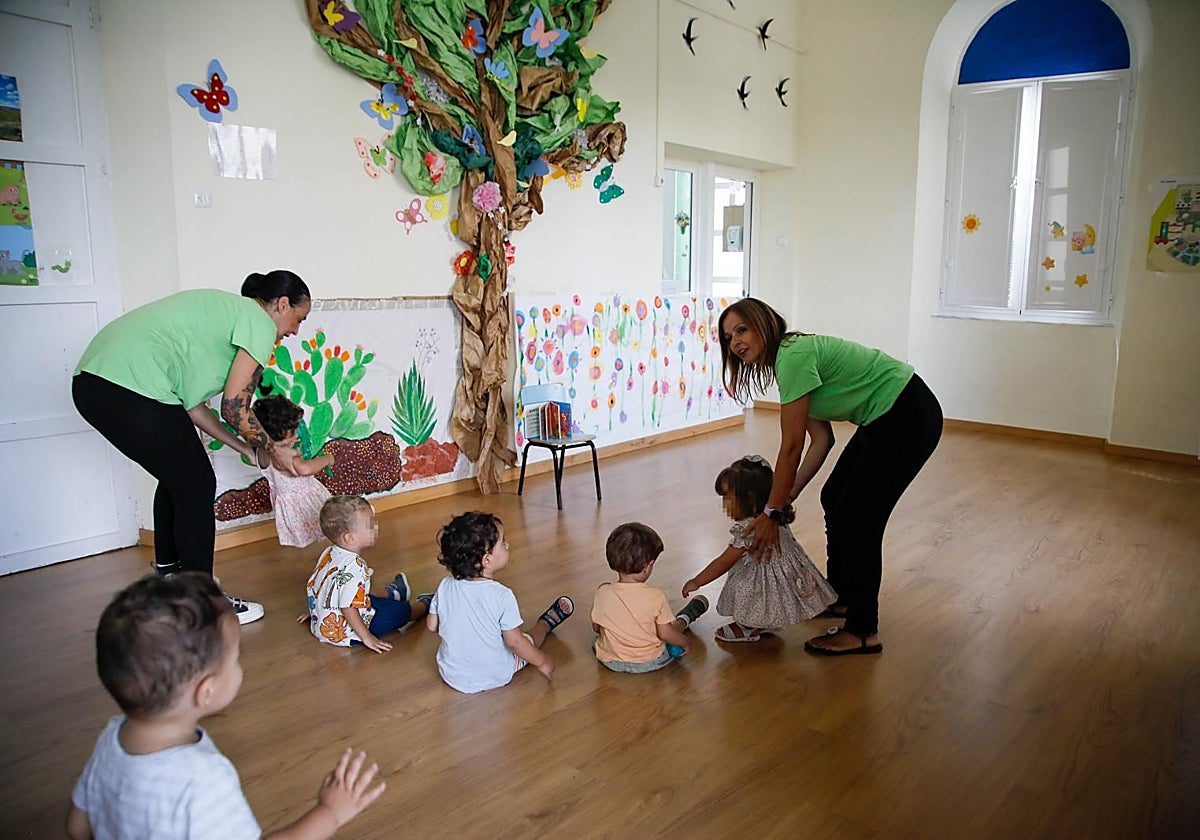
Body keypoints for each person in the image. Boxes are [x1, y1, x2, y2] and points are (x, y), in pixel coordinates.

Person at [72, 270, 314, 624]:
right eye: (298, 318)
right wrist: (276, 448)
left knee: (180, 478)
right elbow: (234, 406)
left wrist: (246, 449)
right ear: (280, 305)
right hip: (126, 384)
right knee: (196, 482)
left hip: (95, 384)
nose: (294, 330)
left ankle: (171, 581)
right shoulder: (257, 321)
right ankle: (201, 600)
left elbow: (193, 408)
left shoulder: (226, 317)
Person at [67, 573, 385, 840]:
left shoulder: (112, 738)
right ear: (206, 690)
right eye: (235, 660)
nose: (239, 667)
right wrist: (330, 812)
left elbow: (77, 827)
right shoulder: (203, 778)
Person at [718, 298, 943, 656]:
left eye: (741, 330)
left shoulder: (792, 356)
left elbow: (790, 446)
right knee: (834, 497)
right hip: (885, 417)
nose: (736, 342)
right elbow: (821, 439)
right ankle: (842, 597)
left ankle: (863, 630)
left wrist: (772, 512)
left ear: (764, 324)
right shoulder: (788, 361)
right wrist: (785, 496)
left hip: (906, 416)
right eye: (729, 338)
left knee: (858, 518)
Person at [682, 456, 836, 643]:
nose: (724, 505)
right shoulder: (774, 516)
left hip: (768, 578)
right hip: (787, 575)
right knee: (761, 582)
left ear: (749, 498)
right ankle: (765, 620)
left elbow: (724, 562)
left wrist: (697, 581)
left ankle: (747, 626)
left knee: (743, 583)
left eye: (728, 498)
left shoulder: (749, 529)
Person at [427, 511, 574, 693]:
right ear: (487, 560)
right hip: (494, 674)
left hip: (451, 673)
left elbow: (432, 626)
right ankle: (544, 624)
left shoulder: (445, 585)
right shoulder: (502, 595)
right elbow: (515, 643)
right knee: (527, 639)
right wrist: (543, 662)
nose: (508, 545)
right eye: (503, 543)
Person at [304, 495, 430, 654]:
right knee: (399, 612)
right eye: (369, 525)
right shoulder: (355, 567)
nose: (375, 527)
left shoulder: (328, 553)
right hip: (347, 632)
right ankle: (427, 604)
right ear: (349, 538)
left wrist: (317, 609)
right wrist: (367, 637)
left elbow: (319, 584)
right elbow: (347, 607)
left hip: (322, 627)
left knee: (361, 591)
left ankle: (395, 592)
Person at [591, 522, 710, 673]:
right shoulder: (656, 596)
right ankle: (685, 618)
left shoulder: (603, 591)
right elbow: (665, 634)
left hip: (610, 660)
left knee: (598, 641)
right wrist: (685, 643)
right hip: (650, 661)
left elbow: (597, 628)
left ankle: (685, 618)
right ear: (648, 566)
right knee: (672, 631)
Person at [253, 393, 334, 548]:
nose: (296, 436)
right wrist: (327, 459)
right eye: (292, 432)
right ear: (278, 433)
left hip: (288, 506)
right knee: (324, 532)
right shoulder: (287, 456)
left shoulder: (262, 453)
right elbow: (305, 469)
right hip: (304, 504)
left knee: (310, 540)